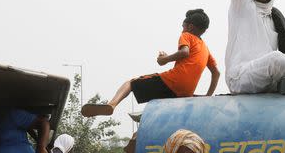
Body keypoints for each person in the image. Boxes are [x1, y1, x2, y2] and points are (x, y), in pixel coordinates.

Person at [82, 9, 219, 117]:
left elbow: (184, 52)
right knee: (157, 109)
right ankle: (136, 137)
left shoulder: (187, 35)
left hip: (173, 81)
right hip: (186, 92)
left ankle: (111, 105)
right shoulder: (205, 49)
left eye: (183, 26)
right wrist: (208, 96)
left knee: (130, 83)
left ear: (189, 26)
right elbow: (216, 73)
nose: (182, 29)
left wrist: (164, 59)